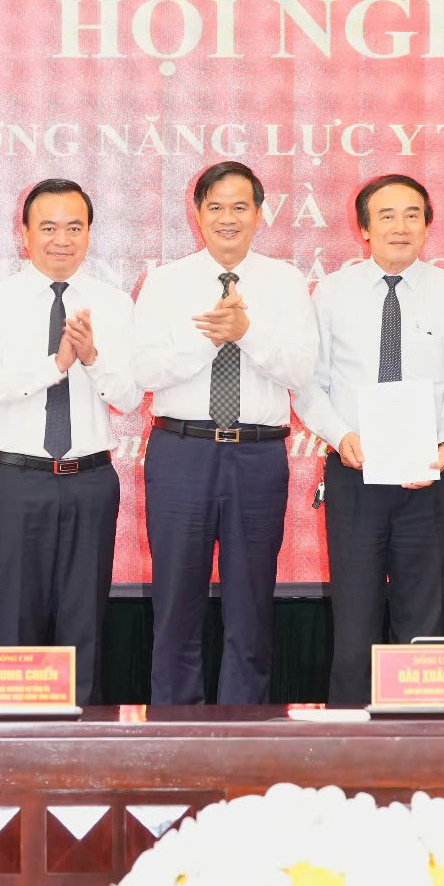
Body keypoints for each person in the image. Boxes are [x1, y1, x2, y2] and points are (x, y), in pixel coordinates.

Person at [133, 162, 318, 706]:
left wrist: (247, 333)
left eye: (240, 207)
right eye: (215, 206)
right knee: (175, 605)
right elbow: (144, 372)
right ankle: (174, 730)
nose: (227, 218)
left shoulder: (286, 282)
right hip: (181, 452)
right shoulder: (166, 282)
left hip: (258, 455)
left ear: (259, 214)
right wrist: (211, 339)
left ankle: (245, 731)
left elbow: (301, 372)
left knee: (251, 606)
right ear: (197, 213)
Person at [297, 174, 444, 707]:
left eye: (412, 215)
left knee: (423, 624)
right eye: (387, 216)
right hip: (355, 475)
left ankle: (418, 735)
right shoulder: (332, 292)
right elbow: (309, 385)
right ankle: (351, 739)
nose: (401, 226)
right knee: (354, 625)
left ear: (427, 225)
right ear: (364, 229)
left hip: (429, 478)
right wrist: (341, 436)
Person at [0, 180, 138, 704]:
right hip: (20, 480)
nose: (62, 239)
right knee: (18, 616)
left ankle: (81, 735)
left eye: (74, 227)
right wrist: (55, 365)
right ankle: (16, 734)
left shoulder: (113, 302)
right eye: (48, 227)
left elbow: (129, 397)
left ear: (89, 234)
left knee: (85, 618)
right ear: (24, 234)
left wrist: (92, 359)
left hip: (91, 479)